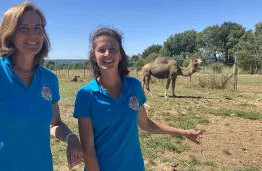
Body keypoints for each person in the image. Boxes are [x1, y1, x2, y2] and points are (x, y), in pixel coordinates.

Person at [0, 2, 83, 171]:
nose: (33, 35)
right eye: (23, 28)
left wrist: (71, 137)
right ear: (9, 33)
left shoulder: (49, 79)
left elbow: (54, 124)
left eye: (38, 28)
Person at [73, 26, 203, 171]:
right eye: (101, 50)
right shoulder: (86, 95)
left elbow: (146, 124)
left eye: (113, 49)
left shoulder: (134, 86)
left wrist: (182, 132)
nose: (107, 54)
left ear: (121, 55)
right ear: (93, 56)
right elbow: (88, 150)